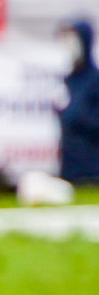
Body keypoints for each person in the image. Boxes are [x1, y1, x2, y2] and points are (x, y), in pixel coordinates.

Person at [57, 19, 98, 183]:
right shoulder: (69, 81)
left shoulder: (95, 81)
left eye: (74, 40)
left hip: (93, 170)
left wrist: (77, 115)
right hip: (69, 169)